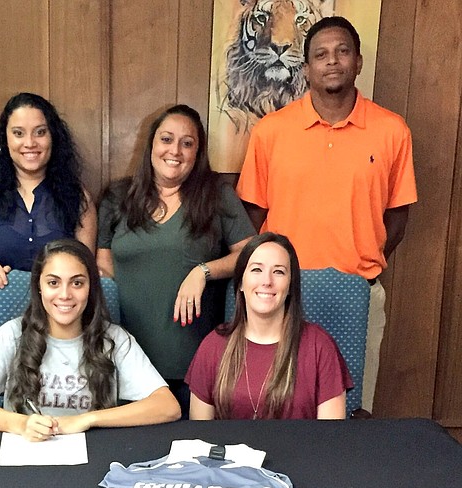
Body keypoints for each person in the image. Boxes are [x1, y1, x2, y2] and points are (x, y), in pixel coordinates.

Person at [236, 16, 417, 414]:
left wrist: (365, 262)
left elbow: (398, 216)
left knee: (353, 411)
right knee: (278, 406)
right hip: (281, 295)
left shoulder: (391, 131)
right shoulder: (271, 131)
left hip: (358, 290)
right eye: (320, 54)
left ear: (358, 62)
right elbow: (251, 213)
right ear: (307, 69)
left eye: (342, 52)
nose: (331, 61)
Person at [97, 104, 254, 413]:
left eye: (188, 143)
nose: (176, 151)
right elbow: (102, 264)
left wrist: (203, 271)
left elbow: (251, 256)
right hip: (125, 362)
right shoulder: (118, 197)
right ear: (152, 145)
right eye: (167, 139)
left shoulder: (217, 196)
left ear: (198, 152)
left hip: (192, 366)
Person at [0, 239, 180, 439]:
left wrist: (87, 420)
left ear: (91, 288)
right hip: (26, 450)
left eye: (77, 283)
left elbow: (167, 406)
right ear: (39, 287)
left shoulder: (114, 339)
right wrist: (21, 424)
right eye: (53, 283)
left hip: (96, 452)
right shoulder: (10, 335)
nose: (65, 294)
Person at [0, 92, 97, 381]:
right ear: (5, 140)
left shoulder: (78, 199)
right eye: (18, 133)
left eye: (40, 132)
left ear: (53, 138)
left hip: (60, 328)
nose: (30, 143)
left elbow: (86, 272)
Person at [186, 233, 352, 420]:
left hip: (300, 450)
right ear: (240, 282)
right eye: (257, 270)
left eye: (279, 272)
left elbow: (330, 438)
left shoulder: (320, 346)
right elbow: (200, 438)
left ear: (290, 286)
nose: (267, 281)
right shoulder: (213, 346)